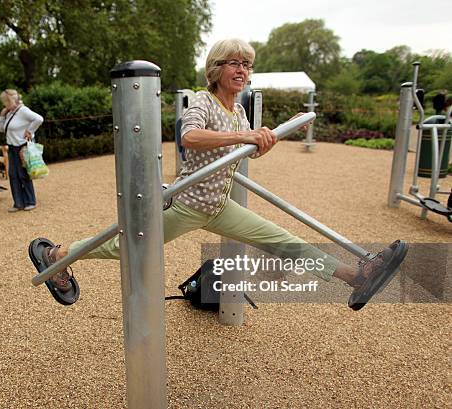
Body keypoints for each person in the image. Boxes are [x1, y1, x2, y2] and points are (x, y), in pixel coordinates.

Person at [31, 39, 407, 310]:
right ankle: (56, 256)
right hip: (188, 204)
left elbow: (240, 151)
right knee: (125, 244)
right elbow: (189, 136)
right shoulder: (203, 100)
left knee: (283, 240)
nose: (242, 70)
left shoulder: (239, 111)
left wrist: (269, 137)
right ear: (217, 69)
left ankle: (357, 276)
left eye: (246, 64)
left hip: (220, 205)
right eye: (234, 63)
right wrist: (246, 136)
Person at [0, 89, 44, 212]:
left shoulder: (23, 110)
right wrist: (2, 116)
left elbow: (39, 119)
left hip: (22, 146)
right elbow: (2, 129)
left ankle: (30, 201)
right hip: (12, 147)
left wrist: (30, 131)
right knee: (13, 175)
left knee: (23, 174)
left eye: (5, 102)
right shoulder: (9, 112)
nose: (4, 105)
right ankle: (18, 203)